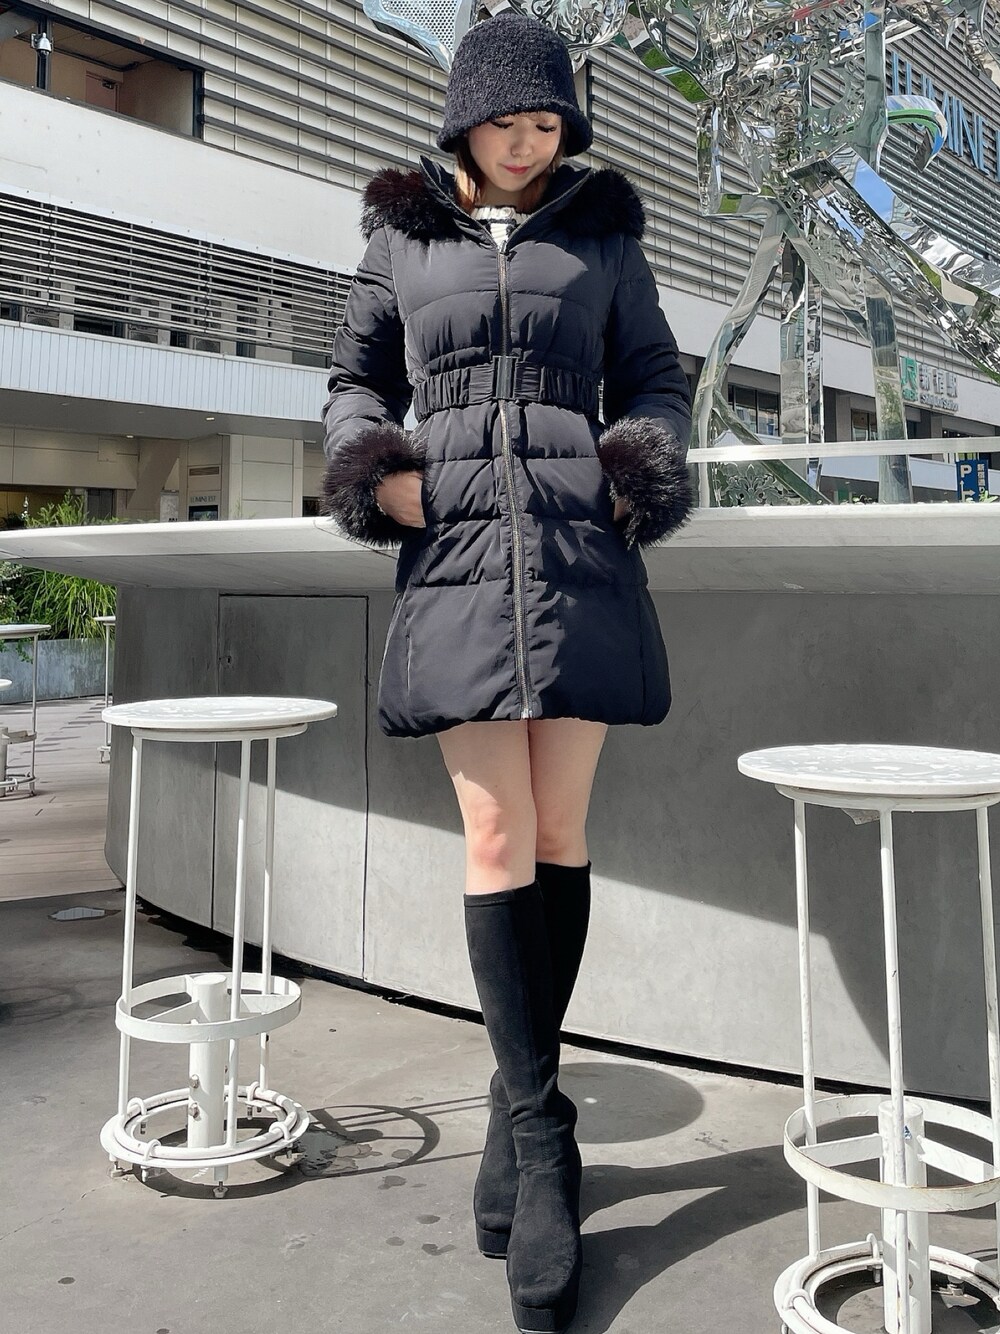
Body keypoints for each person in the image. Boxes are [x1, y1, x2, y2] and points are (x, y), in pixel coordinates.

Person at [321, 11, 692, 1331]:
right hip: (461, 556)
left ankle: (513, 1097)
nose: (531, 143)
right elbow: (355, 378)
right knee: (493, 833)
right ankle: (544, 1137)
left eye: (549, 123)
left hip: (579, 554)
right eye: (509, 122)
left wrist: (635, 469)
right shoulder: (401, 235)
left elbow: (655, 376)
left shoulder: (602, 232)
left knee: (558, 831)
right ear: (462, 122)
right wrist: (377, 474)